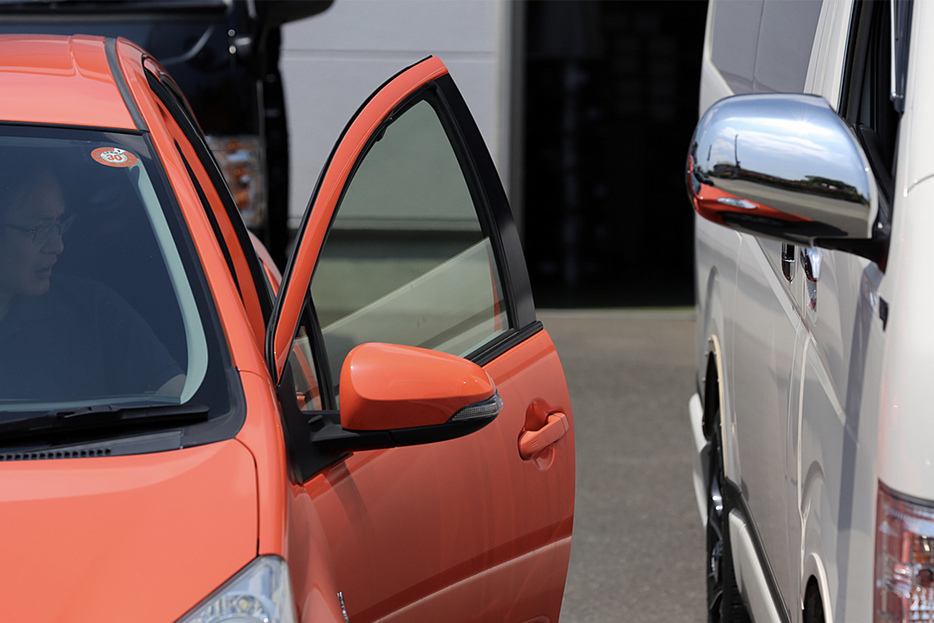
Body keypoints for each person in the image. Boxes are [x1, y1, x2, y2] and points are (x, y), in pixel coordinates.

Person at [0, 166, 185, 403]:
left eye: (58, 224)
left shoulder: (93, 310)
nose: (57, 246)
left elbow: (187, 402)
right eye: (40, 228)